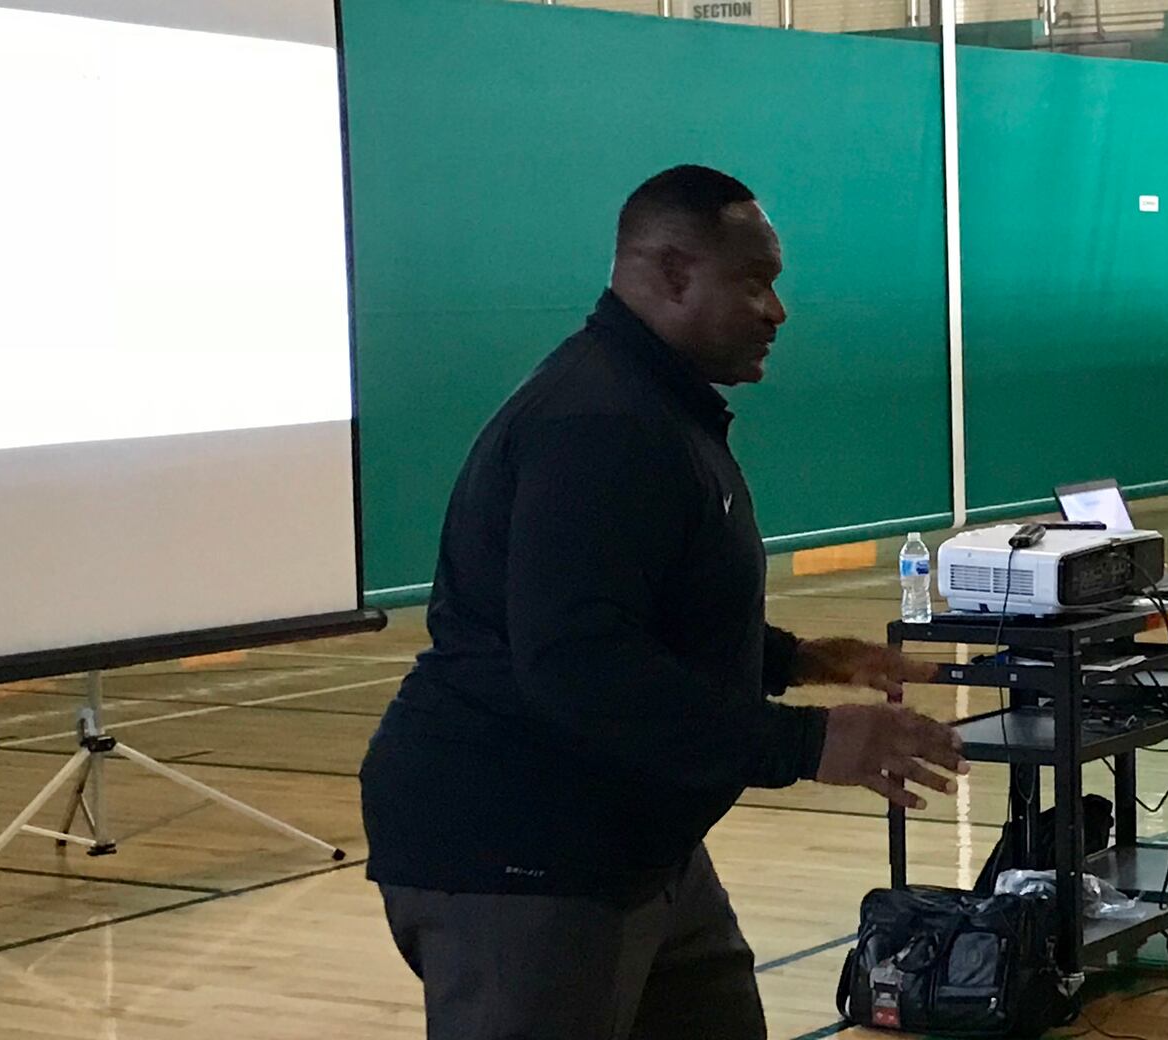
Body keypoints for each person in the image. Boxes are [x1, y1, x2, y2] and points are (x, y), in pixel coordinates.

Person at [358, 165, 967, 1040]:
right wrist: (809, 741)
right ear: (673, 274)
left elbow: (640, 612)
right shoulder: (599, 424)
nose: (776, 311)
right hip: (519, 850)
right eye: (753, 284)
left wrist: (792, 658)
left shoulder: (653, 407)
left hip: (638, 840)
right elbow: (580, 664)